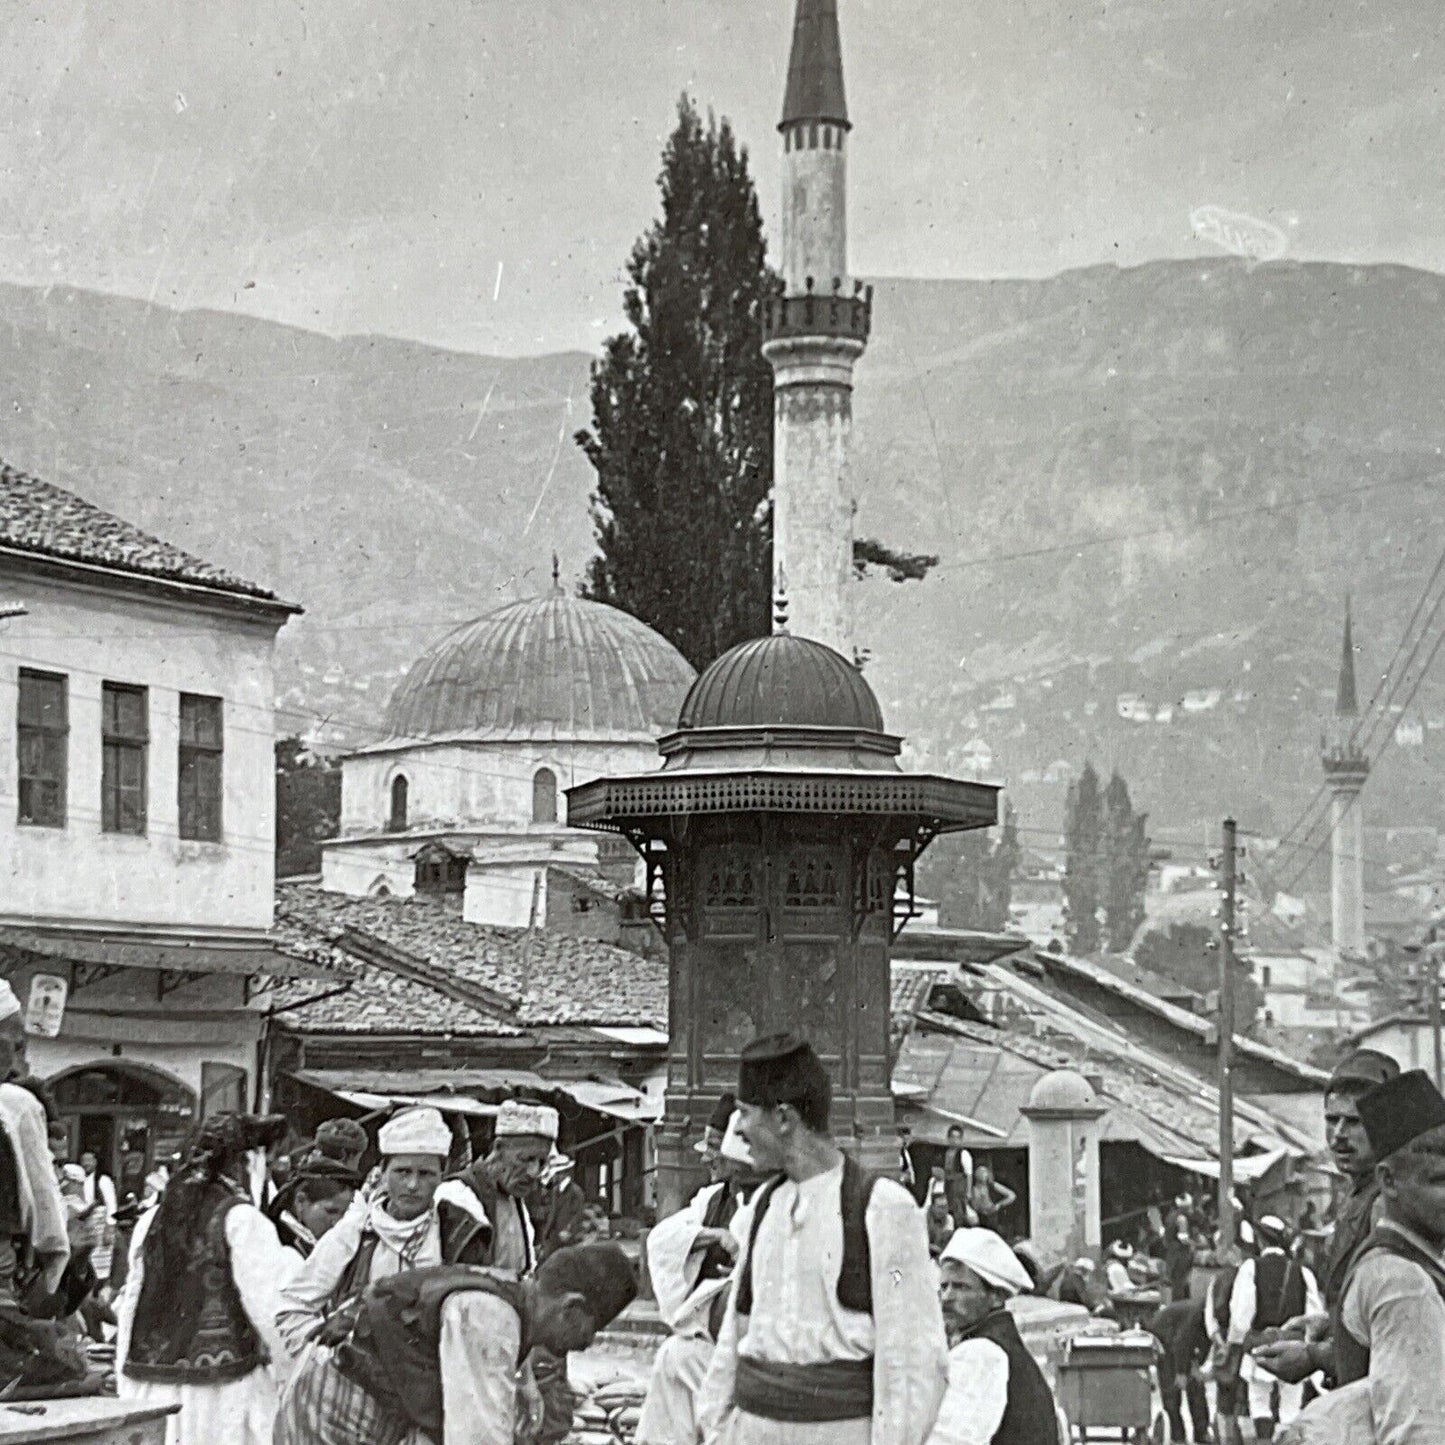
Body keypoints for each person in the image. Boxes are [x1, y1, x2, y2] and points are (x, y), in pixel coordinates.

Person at [697, 1032, 948, 1445]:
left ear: (784, 1118)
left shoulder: (882, 1207)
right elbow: (734, 1335)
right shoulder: (762, 1207)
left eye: (745, 1114)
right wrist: (719, 1428)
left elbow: (912, 1360)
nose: (737, 1130)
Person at [275, 1243, 638, 1445]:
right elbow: (476, 1439)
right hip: (333, 1421)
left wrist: (525, 1383)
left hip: (331, 1398)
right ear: (571, 1307)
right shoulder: (490, 1318)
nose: (587, 1343)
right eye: (593, 1327)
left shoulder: (511, 1292)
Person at [1277, 1068, 1445, 1444]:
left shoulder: (1401, 1260)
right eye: (1439, 1181)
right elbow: (1416, 1433)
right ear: (1387, 1181)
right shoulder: (1404, 1282)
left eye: (1351, 1123)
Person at [115, 1112, 299, 1445]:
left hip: (151, 1392)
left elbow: (131, 1304)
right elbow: (276, 1315)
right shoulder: (242, 1220)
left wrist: (124, 1382)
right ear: (247, 1161)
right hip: (223, 1396)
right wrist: (290, 1380)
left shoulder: (152, 1220)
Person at [277, 1105, 488, 1357]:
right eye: (402, 1172)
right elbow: (292, 1306)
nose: (412, 1185)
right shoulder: (357, 1230)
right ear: (383, 1172)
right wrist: (325, 1358)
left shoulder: (457, 1234)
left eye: (425, 1174)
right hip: (359, 1383)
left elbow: (478, 1320)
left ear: (441, 1176)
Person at [1252, 1048, 1400, 1392]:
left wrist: (1314, 1357)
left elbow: (1391, 1335)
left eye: (1354, 1121)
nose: (1338, 1135)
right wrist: (1329, 1324)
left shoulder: (1389, 1204)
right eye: (1332, 1120)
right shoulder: (1357, 1196)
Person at [638, 1109, 762, 1445]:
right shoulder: (712, 1198)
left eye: (714, 1149)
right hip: (715, 1340)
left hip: (758, 1352)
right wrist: (714, 1236)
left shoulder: (777, 1203)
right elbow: (663, 1239)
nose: (708, 1158)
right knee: (675, 1356)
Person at [927, 1227, 1060, 1444]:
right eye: (944, 1287)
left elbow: (950, 1440)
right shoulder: (1003, 1344)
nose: (947, 1298)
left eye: (961, 1287)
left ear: (997, 1296)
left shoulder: (982, 1353)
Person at [0, 981, 68, 1308]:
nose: (17, 1059)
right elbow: (48, 1221)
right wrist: (56, 1254)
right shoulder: (15, 1105)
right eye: (16, 1045)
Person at [1226, 1213, 1323, 1439]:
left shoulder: (1251, 1268)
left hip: (1262, 1344)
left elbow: (1241, 1317)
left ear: (1260, 1240)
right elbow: (1315, 1316)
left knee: (1259, 1402)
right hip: (1294, 1347)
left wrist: (1236, 1342)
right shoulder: (1303, 1272)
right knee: (1291, 1407)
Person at [436, 1099, 559, 1274]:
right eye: (526, 1159)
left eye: (541, 1163)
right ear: (498, 1148)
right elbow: (467, 1277)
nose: (533, 1172)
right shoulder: (457, 1195)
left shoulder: (515, 1202)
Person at [1147, 1296, 1212, 1444]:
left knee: (1196, 1387)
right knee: (1172, 1388)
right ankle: (1177, 1433)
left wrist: (1197, 1364)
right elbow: (1181, 1342)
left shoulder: (1208, 1314)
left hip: (1183, 1338)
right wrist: (1181, 1372)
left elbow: (1203, 1342)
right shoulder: (1197, 1315)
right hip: (1165, 1335)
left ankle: (1201, 1432)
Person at [267, 1159, 358, 1260]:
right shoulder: (275, 1244)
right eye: (331, 1211)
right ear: (301, 1201)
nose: (337, 1222)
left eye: (344, 1214)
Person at [79, 1149, 118, 1282]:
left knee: (101, 1263)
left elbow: (112, 1205)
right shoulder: (80, 1179)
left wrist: (109, 1229)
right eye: (84, 1161)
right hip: (86, 1227)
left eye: (89, 1160)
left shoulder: (103, 1179)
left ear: (95, 1162)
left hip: (101, 1228)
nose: (86, 1164)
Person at [967, 1164, 1016, 1235]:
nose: (982, 1174)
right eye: (980, 1171)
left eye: (984, 1171)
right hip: (977, 1218)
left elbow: (1011, 1195)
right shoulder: (971, 1188)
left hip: (991, 1216)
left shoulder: (992, 1185)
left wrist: (999, 1205)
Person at [942, 1126, 974, 1227]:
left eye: (957, 1138)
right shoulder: (945, 1153)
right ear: (948, 1138)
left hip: (959, 1188)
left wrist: (968, 1191)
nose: (954, 1140)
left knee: (959, 1213)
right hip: (948, 1186)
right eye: (952, 1137)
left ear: (960, 1139)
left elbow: (969, 1174)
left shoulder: (964, 1154)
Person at [925, 1181, 957, 1260]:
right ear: (932, 1207)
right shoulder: (923, 1217)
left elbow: (945, 1242)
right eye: (939, 1207)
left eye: (945, 1207)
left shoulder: (949, 1219)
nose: (942, 1211)